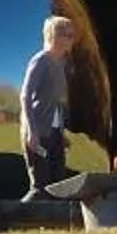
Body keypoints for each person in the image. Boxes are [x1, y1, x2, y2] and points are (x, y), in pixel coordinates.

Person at [20, 16, 78, 195]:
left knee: (58, 183)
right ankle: (15, 218)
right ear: (55, 36)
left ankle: (54, 222)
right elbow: (25, 95)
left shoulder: (60, 63)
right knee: (40, 186)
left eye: (73, 35)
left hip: (53, 132)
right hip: (39, 131)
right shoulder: (41, 60)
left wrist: (60, 132)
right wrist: (32, 131)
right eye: (68, 35)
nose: (72, 39)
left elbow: (55, 101)